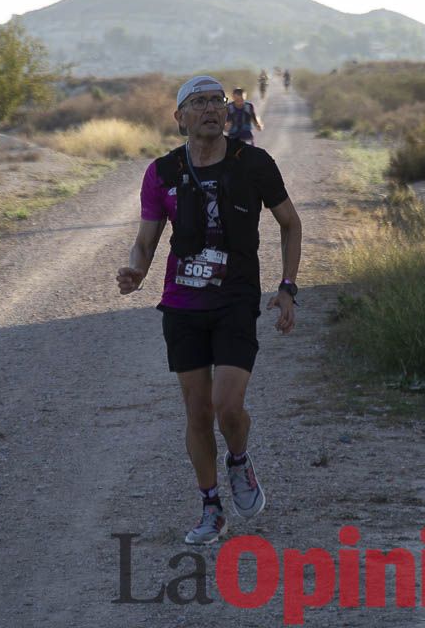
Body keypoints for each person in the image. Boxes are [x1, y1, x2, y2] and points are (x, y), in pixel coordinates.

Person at [116, 75, 302, 545]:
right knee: (198, 414)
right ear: (180, 118)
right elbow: (145, 241)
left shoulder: (254, 164)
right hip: (182, 305)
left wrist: (287, 286)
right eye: (198, 102)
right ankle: (211, 508)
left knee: (227, 407)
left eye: (216, 100)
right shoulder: (162, 172)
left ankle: (238, 460)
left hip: (235, 299)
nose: (211, 109)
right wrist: (136, 270)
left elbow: (290, 223)